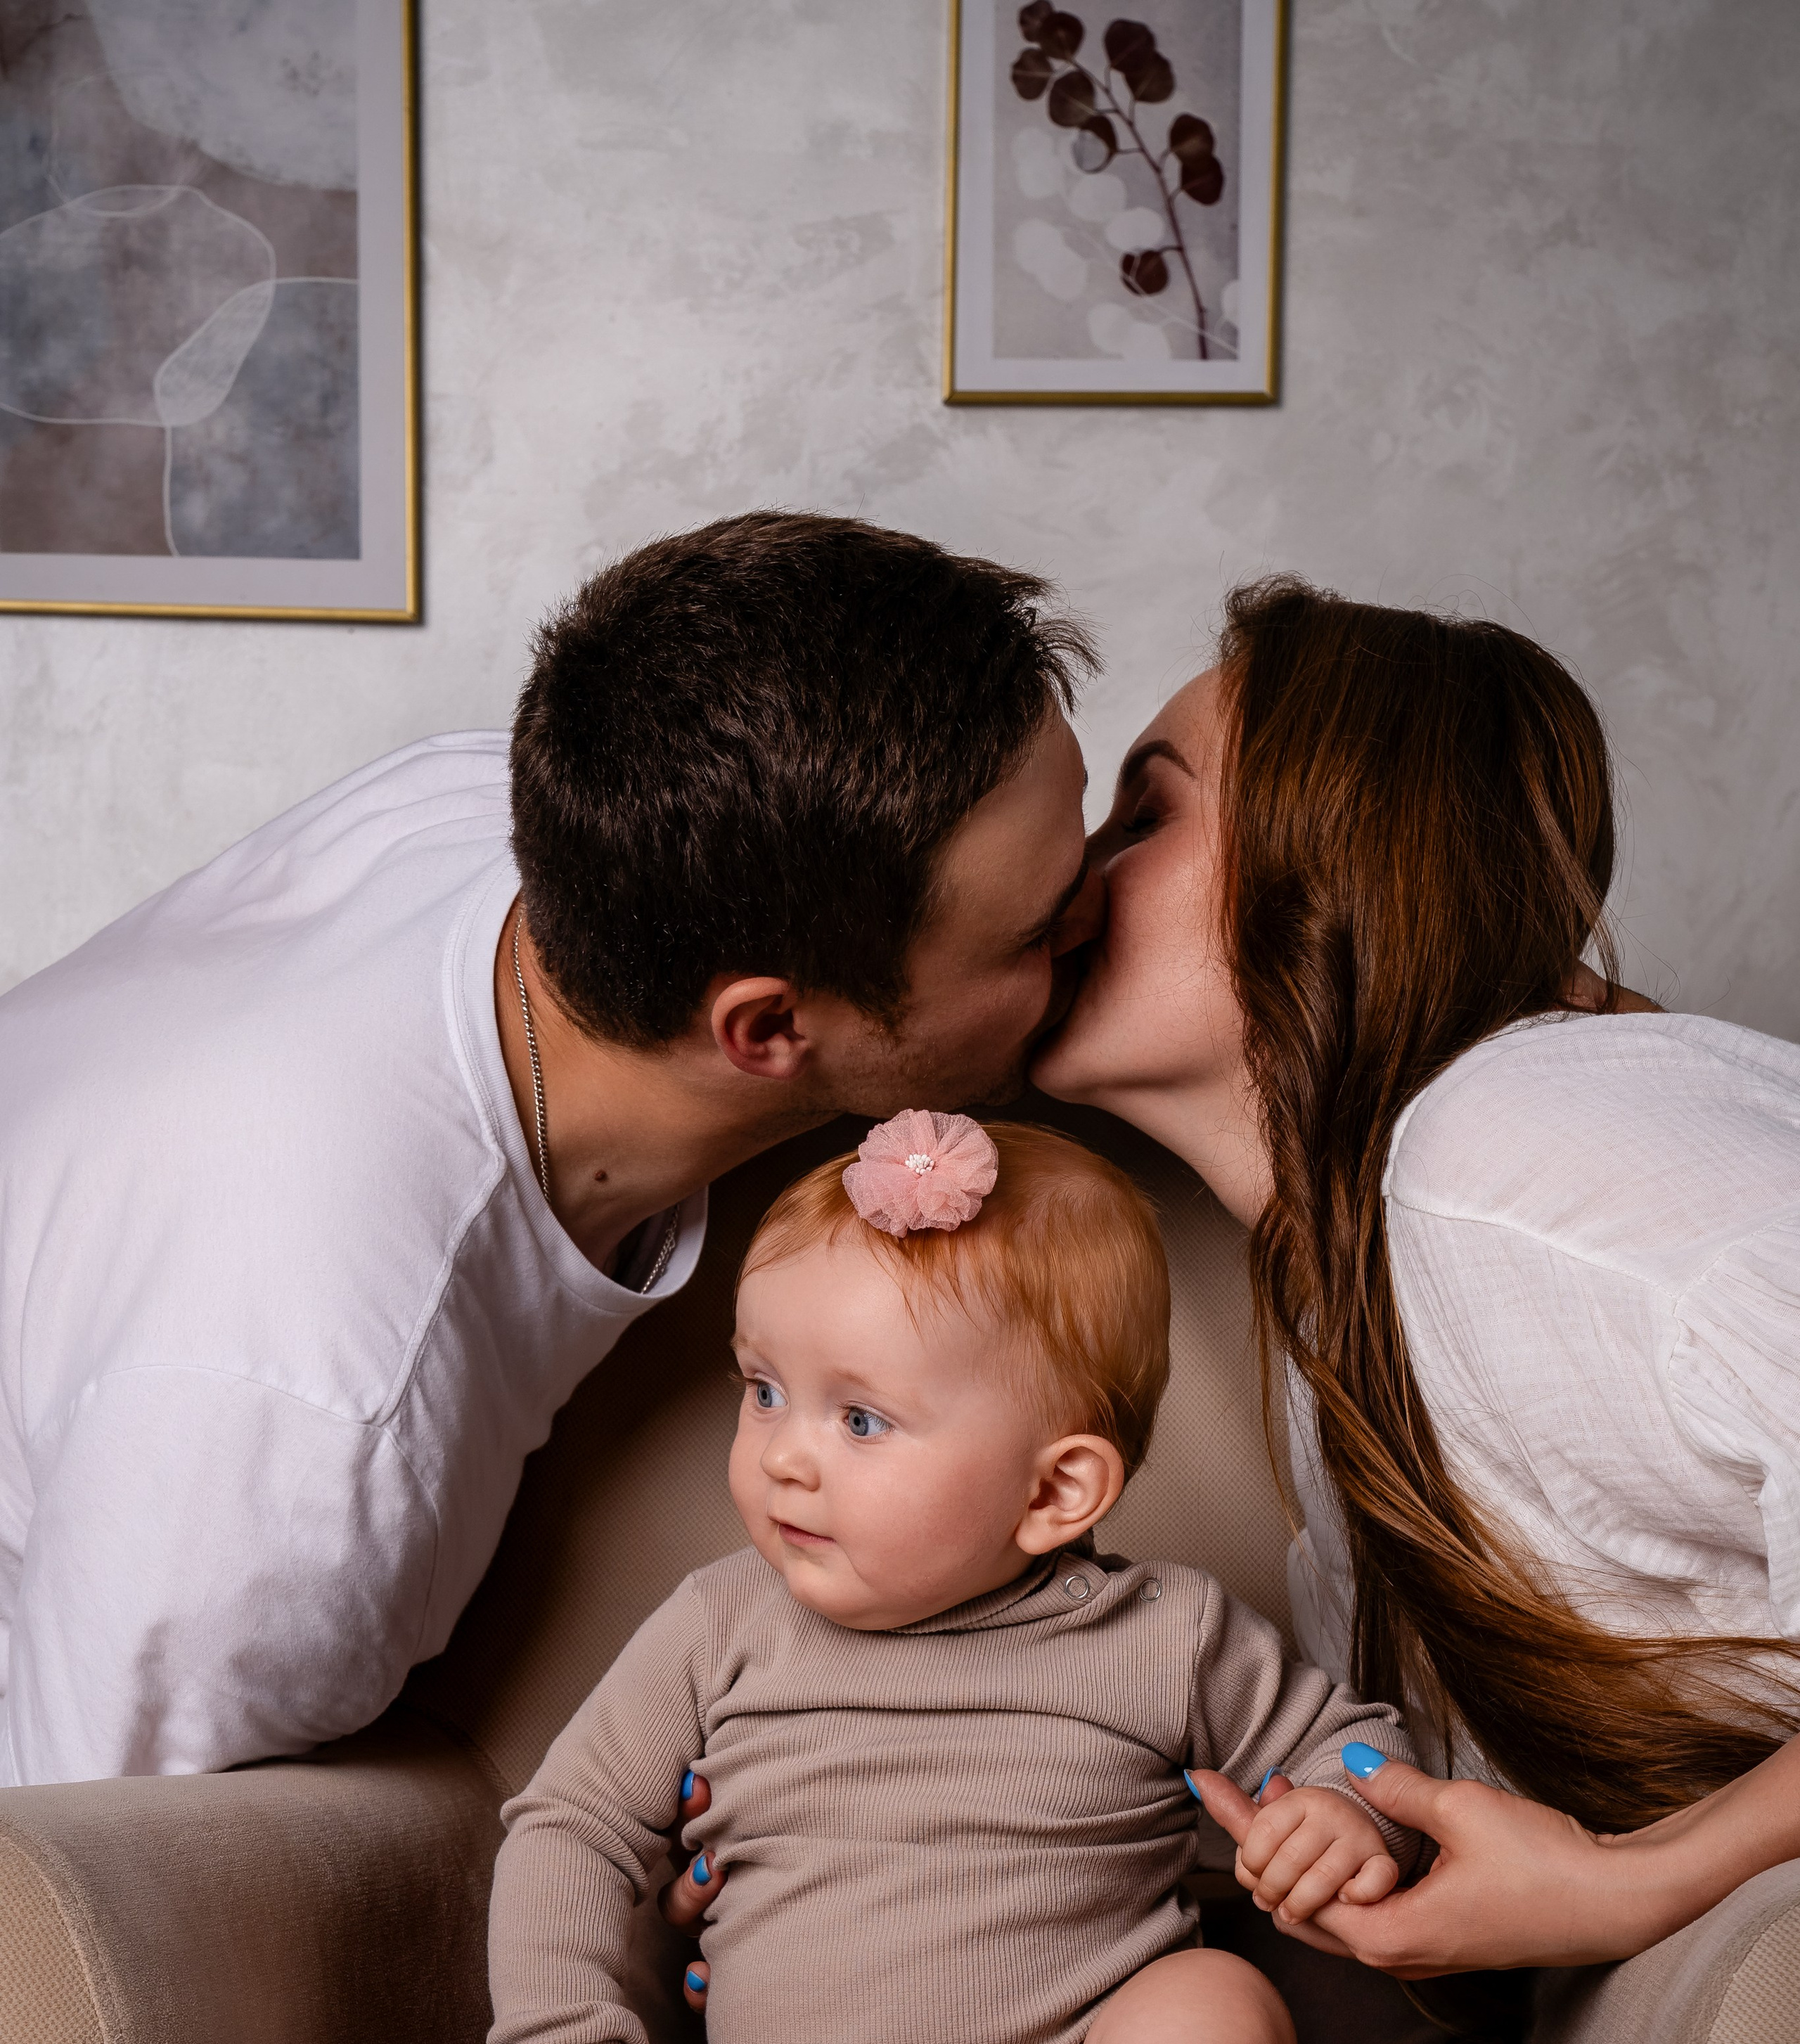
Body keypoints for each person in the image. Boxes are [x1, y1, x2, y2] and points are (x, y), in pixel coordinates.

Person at [269, 1117, 1415, 2044]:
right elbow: (572, 1826)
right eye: (762, 1389)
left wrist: (1344, 1812)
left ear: (1056, 1493)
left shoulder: (1166, 1636)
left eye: (860, 1418)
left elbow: (1364, 1750)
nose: (784, 1455)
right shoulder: (720, 1626)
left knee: (1215, 2012)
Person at [0, 513, 1104, 1788]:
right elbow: (66, 1904)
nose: (1100, 909)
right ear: (768, 1027)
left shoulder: (519, 810)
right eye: (1038, 932)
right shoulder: (302, 1415)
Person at [1031, 574, 1800, 1977]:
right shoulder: (1347, 1275)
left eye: (1146, 815)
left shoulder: (1503, 1151)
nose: (1065, 876)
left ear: (1340, 870)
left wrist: (1637, 1888)